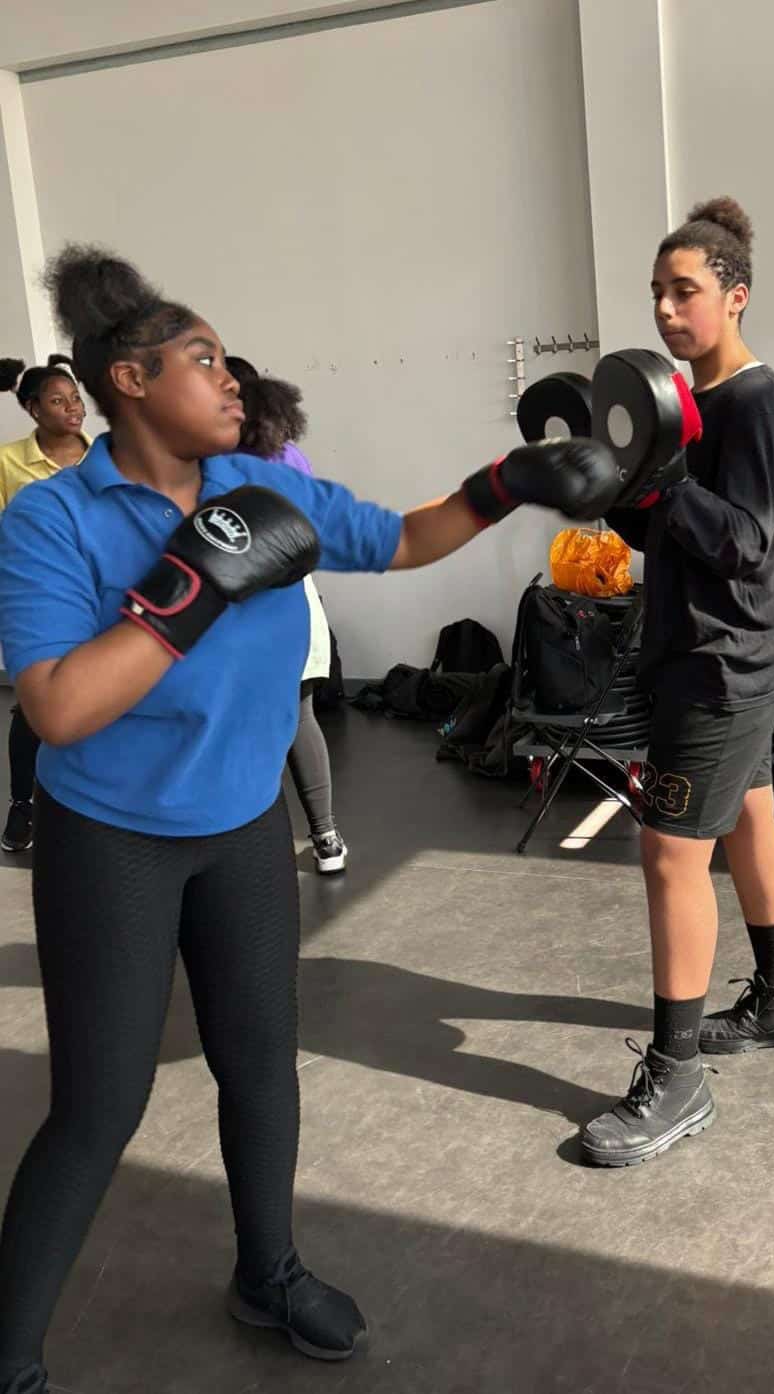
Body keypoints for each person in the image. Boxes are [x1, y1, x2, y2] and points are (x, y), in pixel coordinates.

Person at [0, 243, 621, 1394]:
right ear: (127, 381)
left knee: (259, 1061)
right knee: (100, 1106)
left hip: (240, 824)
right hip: (114, 839)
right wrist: (192, 585)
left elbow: (402, 536)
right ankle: (11, 1352)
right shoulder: (52, 522)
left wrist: (511, 481)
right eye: (201, 359)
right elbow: (59, 706)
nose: (231, 377)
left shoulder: (266, 490)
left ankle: (267, 1268)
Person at [581, 197, 774, 1169]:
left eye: (682, 291)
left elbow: (743, 541)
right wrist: (621, 491)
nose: (663, 309)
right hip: (726, 645)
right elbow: (667, 534)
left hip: (727, 661)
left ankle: (676, 1078)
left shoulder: (756, 404)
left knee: (668, 854)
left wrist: (659, 481)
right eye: (654, 293)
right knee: (747, 818)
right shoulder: (685, 407)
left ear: (733, 296)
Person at [225, 356, 347, 873]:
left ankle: (258, 846)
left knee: (244, 724)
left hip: (235, 609)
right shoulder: (288, 456)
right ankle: (325, 839)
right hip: (294, 599)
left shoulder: (208, 463)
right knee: (298, 716)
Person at [0, 356, 90, 856]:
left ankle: (94, 808)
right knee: (36, 705)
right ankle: (23, 804)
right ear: (33, 409)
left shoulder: (106, 454)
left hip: (102, 600)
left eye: (75, 398)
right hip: (37, 602)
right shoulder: (8, 461)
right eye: (57, 401)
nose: (71, 408)